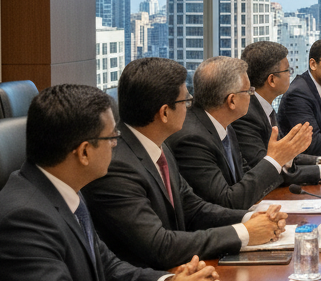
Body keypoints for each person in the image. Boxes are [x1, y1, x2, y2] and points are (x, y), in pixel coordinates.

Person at [0, 85, 219, 281]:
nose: (117, 145)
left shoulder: (64, 192)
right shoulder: (21, 220)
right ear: (83, 152)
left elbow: (107, 268)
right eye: (112, 138)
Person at [84, 57, 288, 270]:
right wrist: (245, 232)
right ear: (164, 112)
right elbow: (160, 245)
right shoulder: (117, 167)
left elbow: (193, 209)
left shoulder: (159, 147)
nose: (190, 107)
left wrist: (251, 218)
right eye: (186, 101)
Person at [164, 56, 313, 210]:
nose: (252, 95)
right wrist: (274, 159)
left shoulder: (225, 126)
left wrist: (281, 158)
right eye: (249, 91)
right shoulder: (192, 140)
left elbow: (245, 179)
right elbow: (227, 201)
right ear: (232, 100)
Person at [235, 41, 321, 182]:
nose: (290, 75)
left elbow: (287, 155)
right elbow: (268, 169)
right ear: (271, 80)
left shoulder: (265, 109)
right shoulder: (246, 115)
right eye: (287, 70)